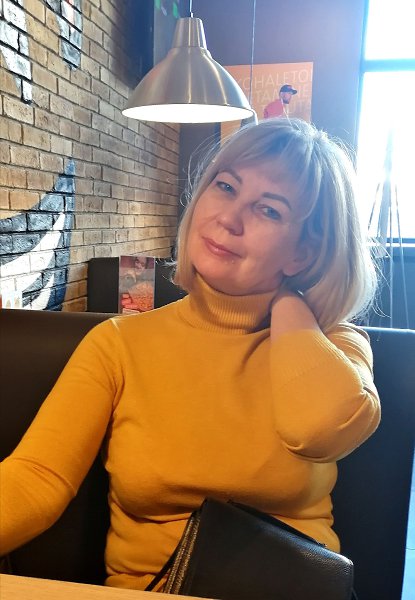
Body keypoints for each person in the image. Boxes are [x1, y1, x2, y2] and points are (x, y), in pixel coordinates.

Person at [0, 118, 380, 592]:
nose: (229, 218)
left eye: (268, 210)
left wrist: (289, 303)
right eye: (226, 187)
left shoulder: (335, 344)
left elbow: (319, 429)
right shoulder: (119, 343)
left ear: (302, 253)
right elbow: (38, 477)